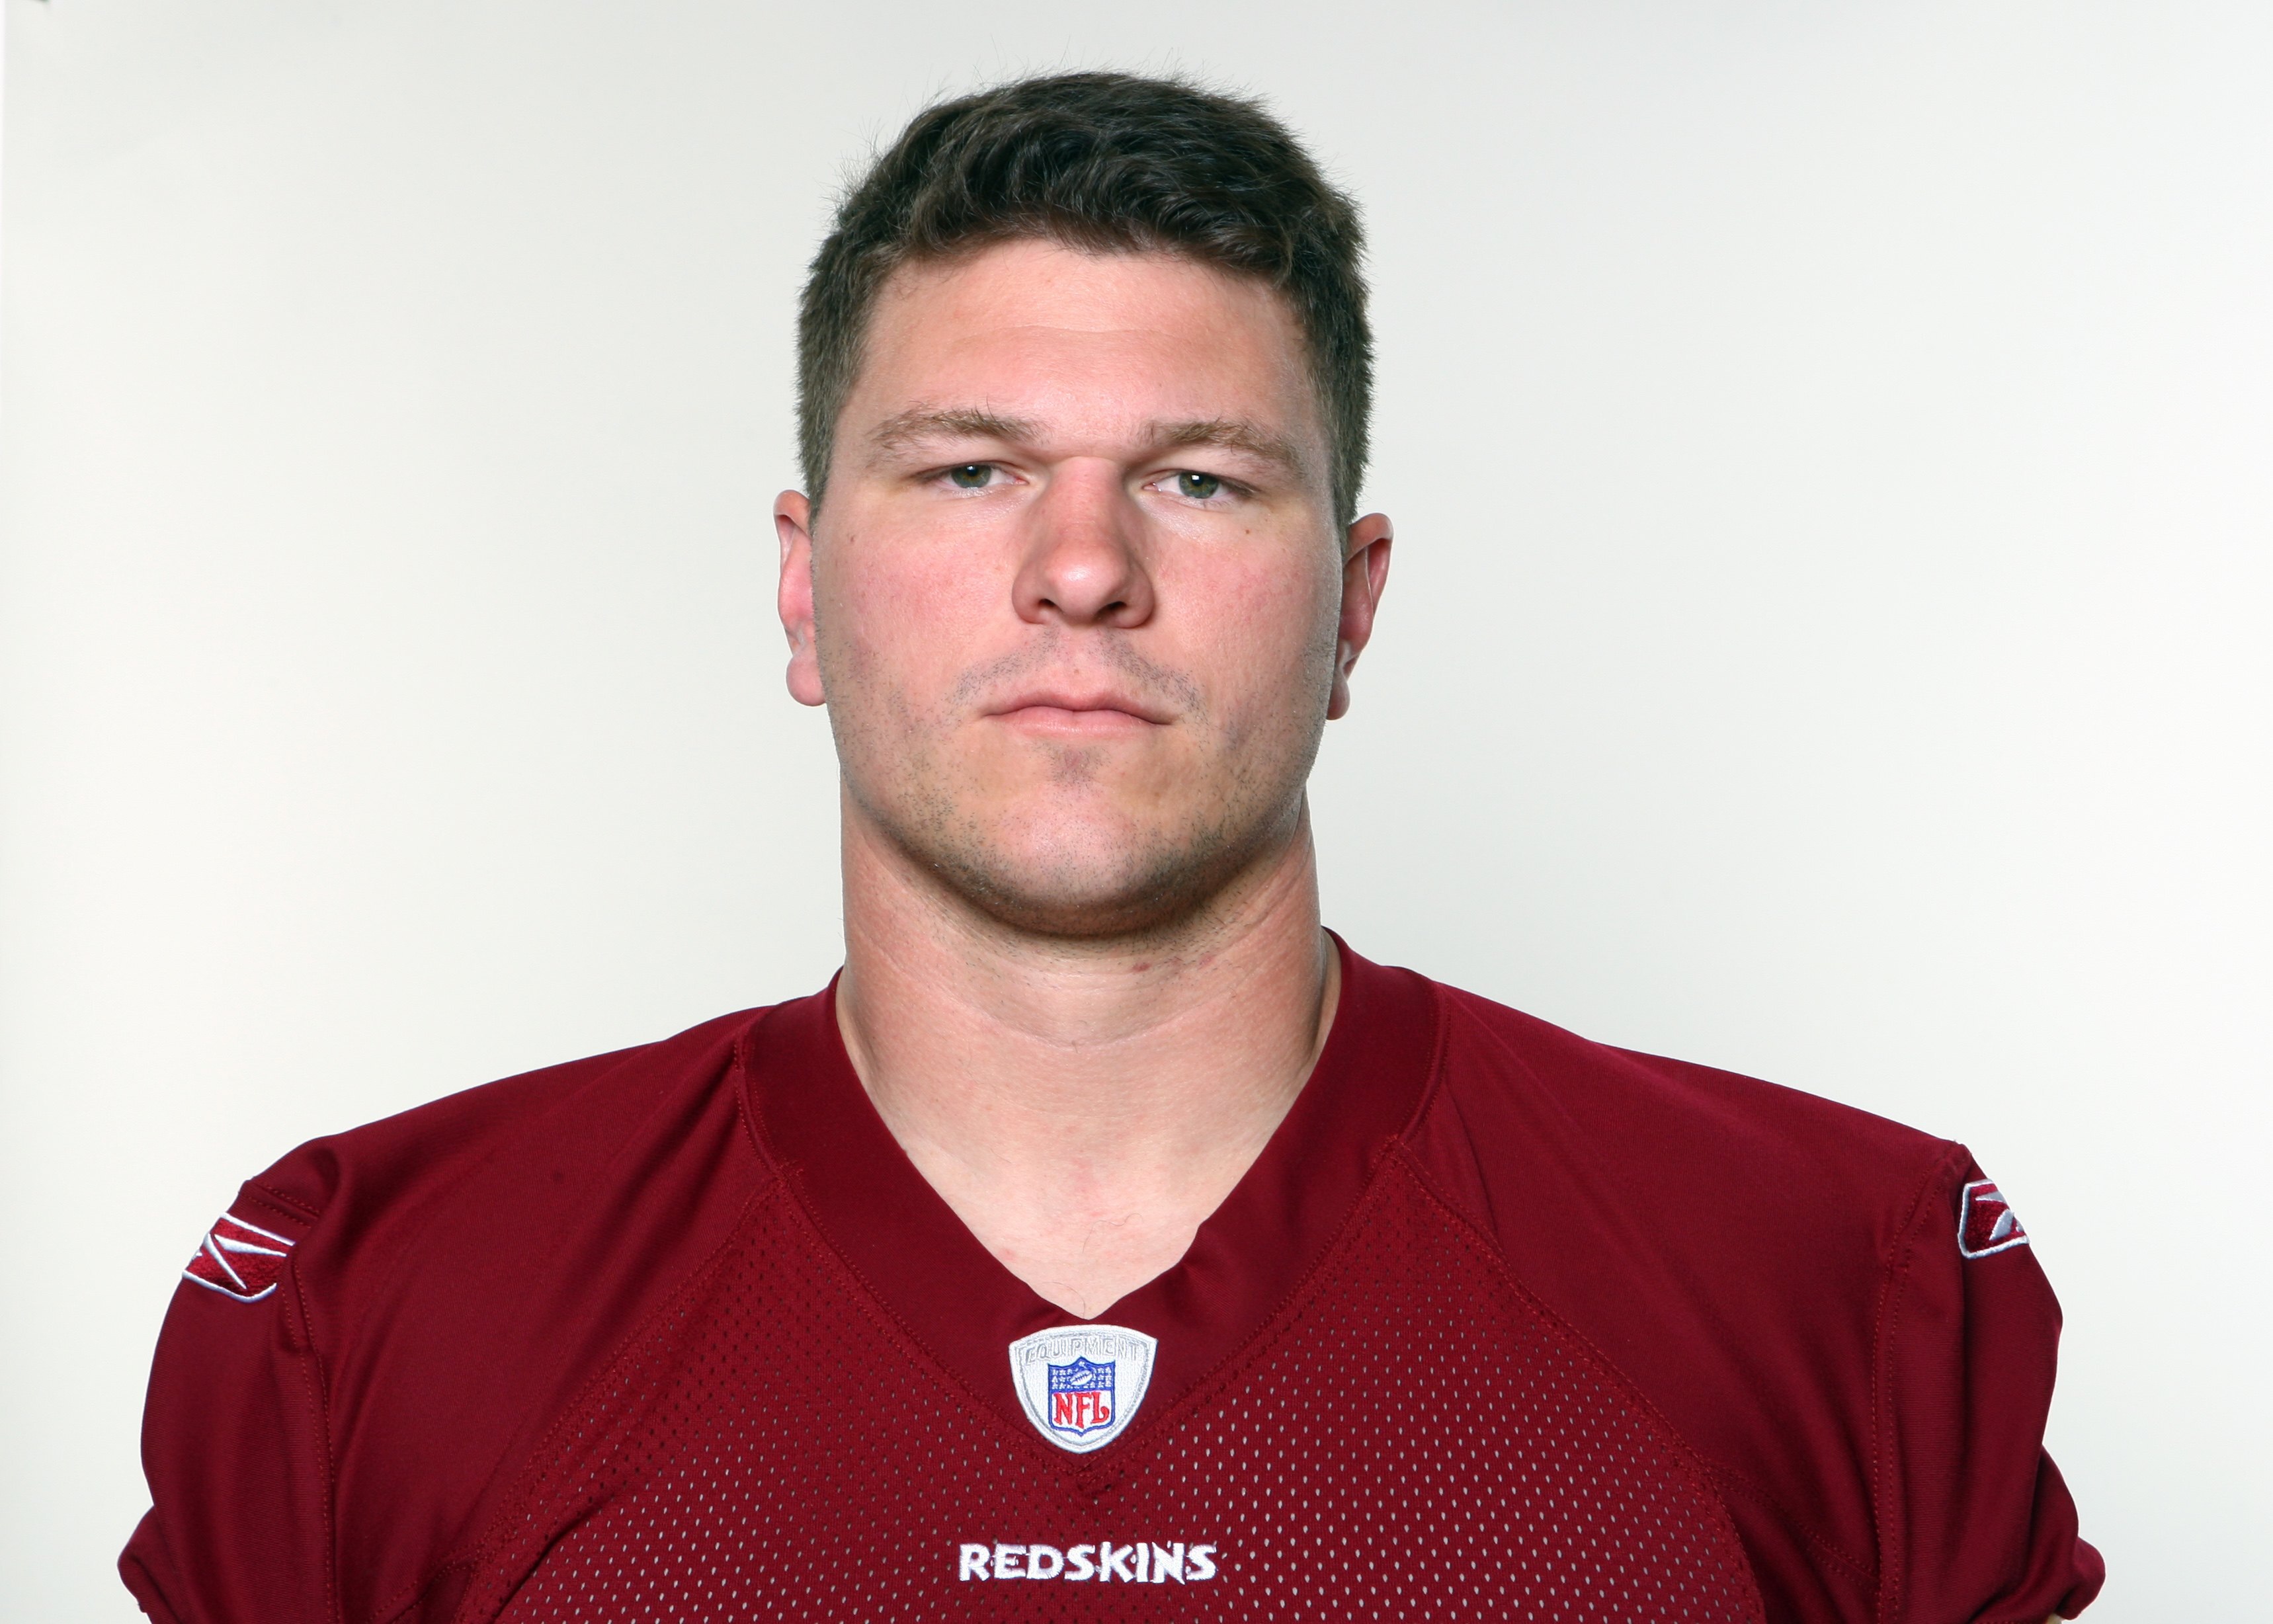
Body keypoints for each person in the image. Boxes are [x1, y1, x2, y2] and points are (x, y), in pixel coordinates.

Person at [121, 71, 2102, 1623]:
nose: (1083, 569)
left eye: (1201, 478)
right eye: (971, 469)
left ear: (1352, 605)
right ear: (804, 592)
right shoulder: (376, 1301)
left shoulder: (1834, 1277)